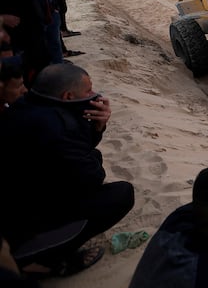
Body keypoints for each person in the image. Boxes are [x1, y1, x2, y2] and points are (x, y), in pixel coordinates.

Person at [0, 63, 134, 276]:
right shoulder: (60, 127)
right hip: (21, 219)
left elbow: (77, 152)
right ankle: (48, 256)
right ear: (68, 97)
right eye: (88, 90)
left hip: (20, 191)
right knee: (121, 195)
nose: (93, 94)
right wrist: (91, 138)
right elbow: (93, 178)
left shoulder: (25, 106)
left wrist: (97, 128)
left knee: (93, 159)